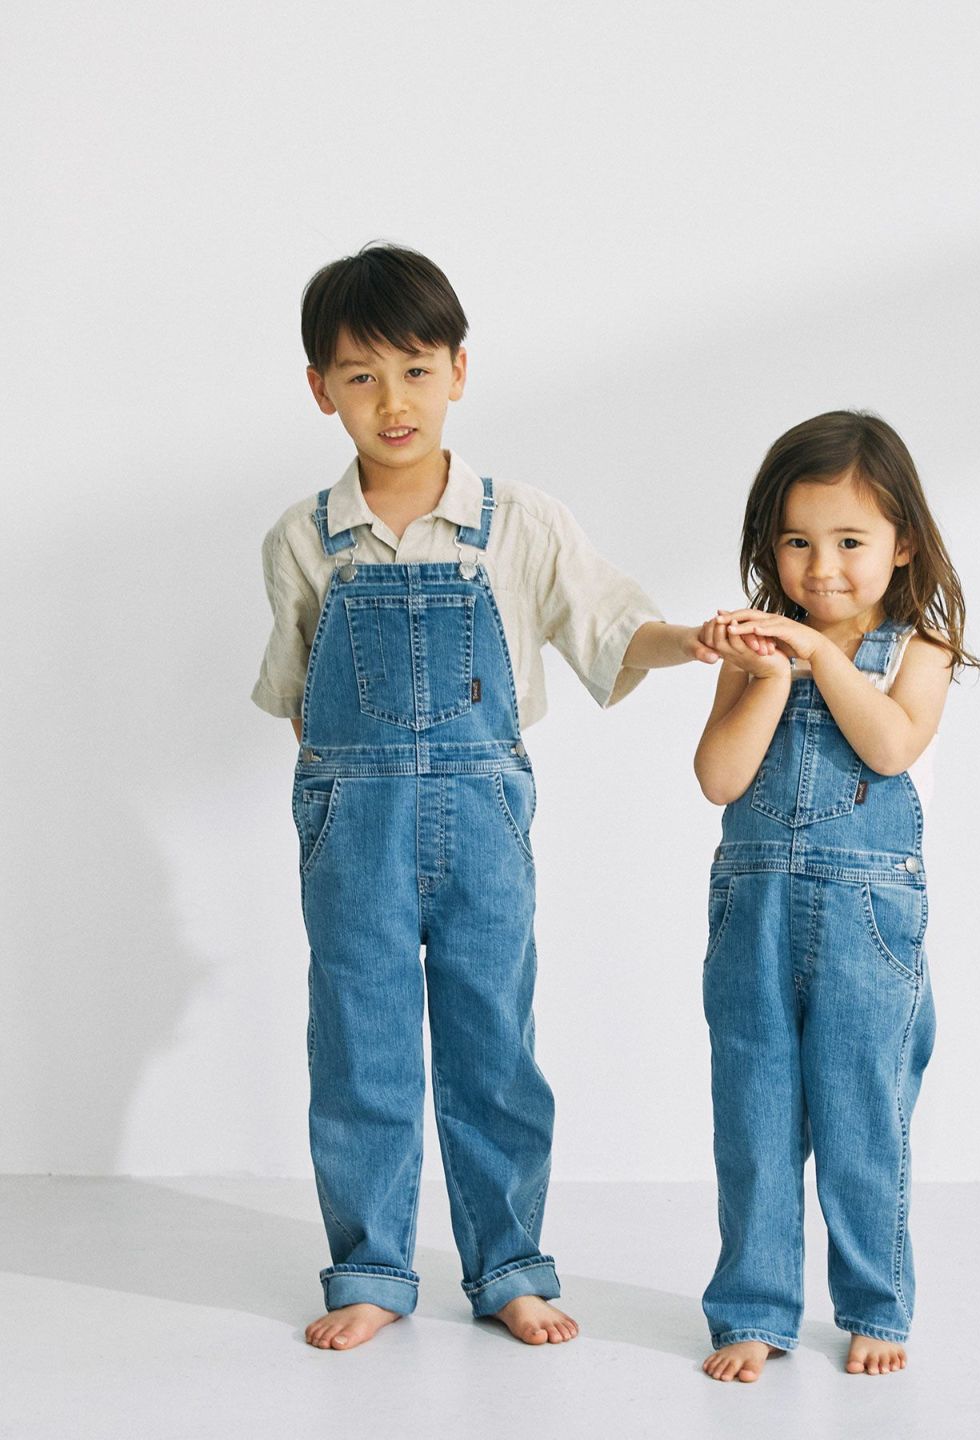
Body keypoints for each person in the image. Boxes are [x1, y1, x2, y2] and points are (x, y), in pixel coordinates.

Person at [252, 242, 717, 1352]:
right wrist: (349, 794)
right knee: (359, 1045)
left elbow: (610, 628)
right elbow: (300, 695)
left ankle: (507, 1265)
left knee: (493, 1044)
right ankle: (371, 1268)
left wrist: (691, 639)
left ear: (459, 370)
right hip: (352, 827)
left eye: (416, 370)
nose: (393, 401)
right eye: (361, 376)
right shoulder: (302, 538)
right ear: (320, 389)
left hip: (484, 822)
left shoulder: (522, 522)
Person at [693, 411, 980, 1382]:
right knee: (755, 1121)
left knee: (864, 1123)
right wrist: (771, 673)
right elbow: (720, 779)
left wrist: (819, 656)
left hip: (869, 927)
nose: (821, 569)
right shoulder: (757, 652)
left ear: (902, 544)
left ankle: (875, 1304)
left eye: (850, 541)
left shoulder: (919, 648)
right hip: (754, 919)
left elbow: (890, 746)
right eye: (797, 542)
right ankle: (753, 1310)